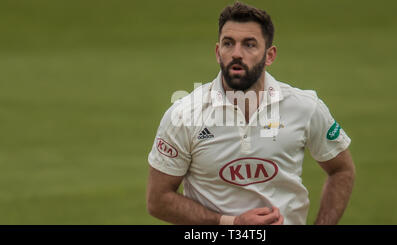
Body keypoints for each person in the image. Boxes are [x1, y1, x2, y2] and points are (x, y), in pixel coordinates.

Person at [146, 2, 355, 225]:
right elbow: (158, 200)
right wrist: (231, 223)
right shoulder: (184, 114)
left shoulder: (305, 106)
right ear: (218, 53)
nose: (236, 53)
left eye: (249, 45)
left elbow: (341, 170)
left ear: (269, 55)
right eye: (228, 43)